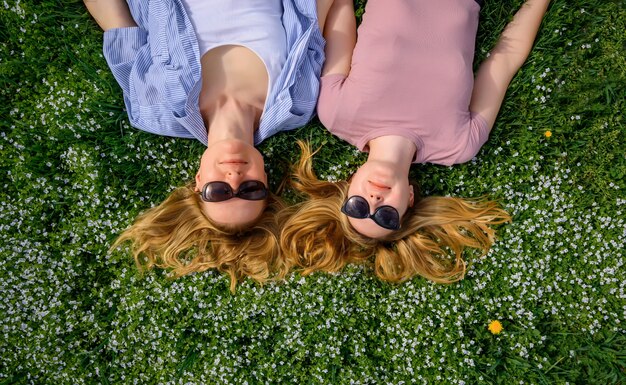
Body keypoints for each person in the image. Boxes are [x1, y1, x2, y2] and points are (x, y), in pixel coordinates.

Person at [281, 0, 550, 283]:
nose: (374, 201)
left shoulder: (336, 114)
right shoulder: (457, 144)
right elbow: (504, 62)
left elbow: (341, 17)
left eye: (358, 207)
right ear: (409, 199)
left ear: (349, 184)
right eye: (385, 216)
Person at [85, 0, 339, 291]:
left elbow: (117, 26)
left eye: (218, 192)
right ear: (265, 180)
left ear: (198, 182)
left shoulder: (154, 110)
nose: (233, 178)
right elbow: (312, 19)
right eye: (250, 190)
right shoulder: (296, 105)